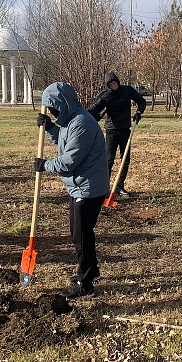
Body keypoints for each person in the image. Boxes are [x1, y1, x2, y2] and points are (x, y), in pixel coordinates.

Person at [35, 82, 110, 299]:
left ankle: (86, 285)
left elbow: (69, 161)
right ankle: (92, 271)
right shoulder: (70, 121)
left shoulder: (82, 123)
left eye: (53, 108)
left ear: (64, 104)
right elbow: (64, 142)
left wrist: (44, 165)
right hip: (79, 186)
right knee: (80, 233)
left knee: (81, 237)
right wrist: (50, 127)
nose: (52, 112)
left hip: (88, 188)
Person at [87, 72, 146, 197]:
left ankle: (119, 186)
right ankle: (103, 188)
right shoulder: (106, 96)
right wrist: (83, 116)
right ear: (108, 86)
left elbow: (142, 102)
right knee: (108, 160)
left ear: (118, 82)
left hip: (125, 130)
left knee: (125, 160)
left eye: (114, 83)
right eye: (111, 84)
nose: (113, 86)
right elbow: (94, 109)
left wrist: (139, 113)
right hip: (111, 131)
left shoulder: (127, 91)